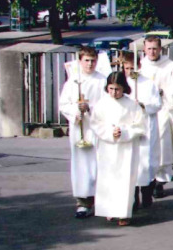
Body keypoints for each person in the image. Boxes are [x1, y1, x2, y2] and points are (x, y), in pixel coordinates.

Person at [91, 72, 145, 226]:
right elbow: (96, 123)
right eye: (111, 89)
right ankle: (109, 209)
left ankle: (123, 213)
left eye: (118, 89)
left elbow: (140, 126)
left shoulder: (132, 105)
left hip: (126, 148)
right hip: (108, 146)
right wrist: (109, 132)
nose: (114, 93)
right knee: (108, 178)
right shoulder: (102, 104)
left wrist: (124, 132)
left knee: (124, 179)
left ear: (124, 88)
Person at [60, 47, 106, 219]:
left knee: (99, 163)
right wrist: (76, 110)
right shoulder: (73, 82)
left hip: (97, 129)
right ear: (80, 61)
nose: (90, 64)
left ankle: (99, 199)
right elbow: (63, 104)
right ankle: (82, 202)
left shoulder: (102, 81)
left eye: (93, 60)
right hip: (80, 128)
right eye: (86, 60)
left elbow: (108, 104)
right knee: (81, 165)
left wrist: (90, 108)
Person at [138, 35, 173, 199]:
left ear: (161, 49)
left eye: (155, 48)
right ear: (144, 48)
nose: (152, 51)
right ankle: (145, 178)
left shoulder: (170, 66)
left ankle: (160, 180)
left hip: (163, 108)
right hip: (143, 110)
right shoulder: (139, 66)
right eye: (149, 48)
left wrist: (162, 92)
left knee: (163, 143)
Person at [115, 52, 160, 209]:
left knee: (146, 162)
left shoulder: (148, 83)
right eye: (126, 68)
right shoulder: (121, 84)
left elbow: (157, 104)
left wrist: (142, 105)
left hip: (146, 127)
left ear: (139, 67)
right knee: (131, 162)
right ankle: (132, 198)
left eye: (133, 68)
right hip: (129, 128)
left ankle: (147, 194)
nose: (130, 72)